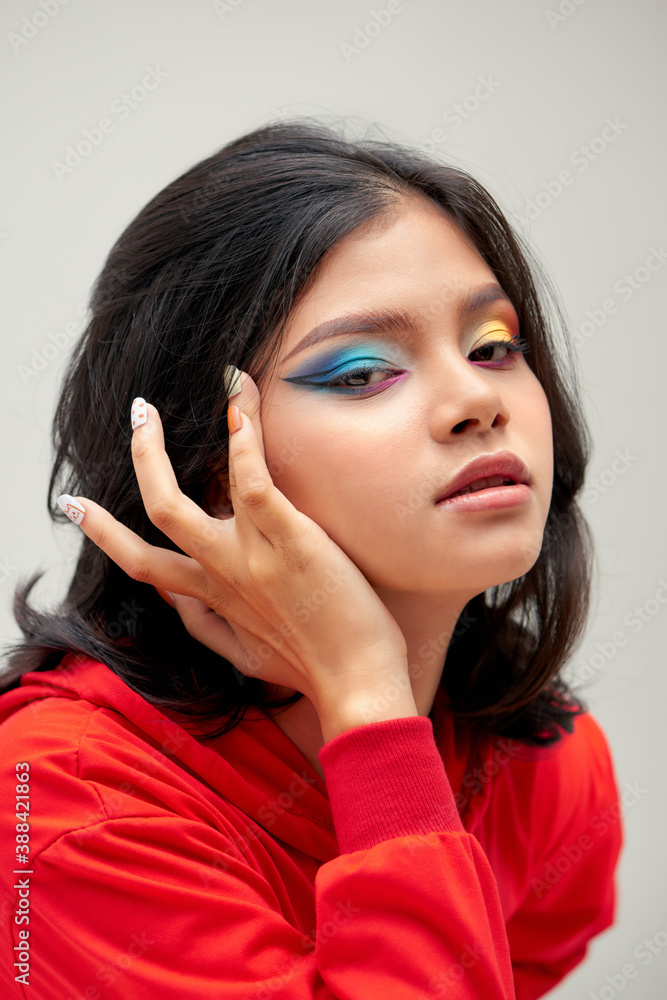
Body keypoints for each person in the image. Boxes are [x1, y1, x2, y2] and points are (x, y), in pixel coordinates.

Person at [0, 118, 622, 999]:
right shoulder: (58, 811)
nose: (477, 399)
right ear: (205, 473)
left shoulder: (543, 766)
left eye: (493, 346)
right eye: (362, 372)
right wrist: (371, 701)